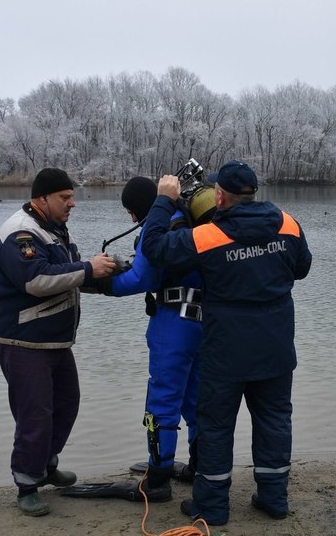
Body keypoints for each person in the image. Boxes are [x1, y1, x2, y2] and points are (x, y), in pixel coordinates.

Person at [140, 160, 312, 526]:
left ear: (219, 196)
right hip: (276, 349)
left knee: (217, 427)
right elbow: (302, 267)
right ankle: (274, 500)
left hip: (226, 353)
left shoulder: (209, 237)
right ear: (253, 192)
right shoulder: (288, 224)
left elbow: (154, 248)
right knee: (275, 421)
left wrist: (163, 201)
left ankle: (212, 508)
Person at [0, 167, 116, 517]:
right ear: (42, 198)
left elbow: (67, 274)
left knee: (66, 403)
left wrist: (108, 277)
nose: (72, 203)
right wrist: (90, 269)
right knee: (35, 415)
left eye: (71, 196)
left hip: (53, 341)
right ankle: (26, 485)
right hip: (22, 341)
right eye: (65, 197)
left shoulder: (53, 229)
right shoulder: (20, 232)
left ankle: (45, 465)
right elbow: (37, 280)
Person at [88, 176, 203, 501]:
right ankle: (199, 468)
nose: (131, 219)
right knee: (196, 399)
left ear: (139, 208)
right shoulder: (189, 220)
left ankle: (158, 479)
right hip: (204, 321)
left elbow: (143, 278)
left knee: (162, 402)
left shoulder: (159, 227)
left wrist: (99, 285)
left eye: (130, 212)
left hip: (173, 324)